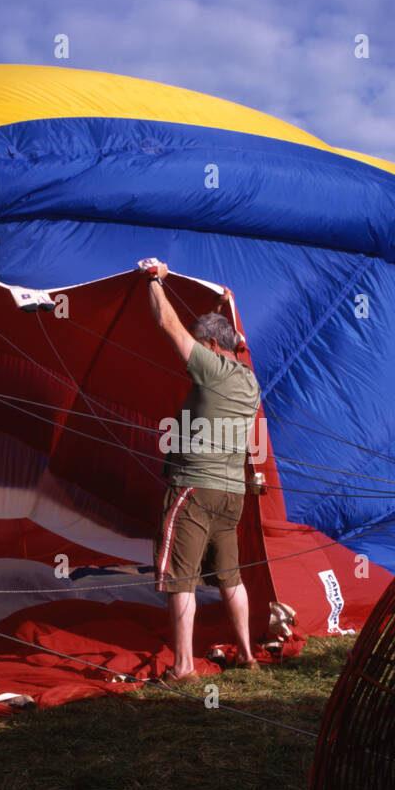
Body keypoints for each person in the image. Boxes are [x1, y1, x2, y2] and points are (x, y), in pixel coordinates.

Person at [143, 260, 261, 682]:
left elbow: (169, 325)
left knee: (181, 577)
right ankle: (247, 655)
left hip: (194, 489)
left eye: (200, 344)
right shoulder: (249, 380)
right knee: (231, 576)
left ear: (211, 345)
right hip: (232, 496)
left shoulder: (210, 369)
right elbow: (236, 341)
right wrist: (225, 304)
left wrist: (155, 281)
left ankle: (184, 667)